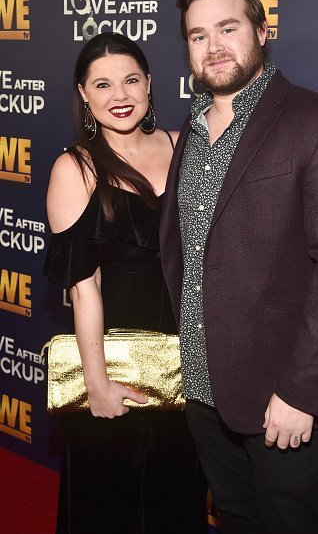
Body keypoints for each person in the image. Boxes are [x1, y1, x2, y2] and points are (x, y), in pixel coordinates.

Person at [160, 0, 318, 534]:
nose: (214, 47)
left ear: (261, 29)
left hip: (282, 392)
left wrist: (303, 391)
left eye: (228, 28)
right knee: (235, 518)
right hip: (204, 386)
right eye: (198, 35)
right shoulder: (192, 129)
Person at [44, 32, 207, 534]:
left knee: (175, 496)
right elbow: (83, 288)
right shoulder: (77, 168)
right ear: (84, 95)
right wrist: (97, 384)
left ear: (150, 84)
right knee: (108, 504)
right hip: (115, 367)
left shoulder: (186, 145)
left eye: (131, 79)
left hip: (186, 367)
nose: (121, 94)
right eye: (103, 84)